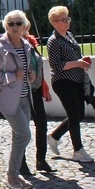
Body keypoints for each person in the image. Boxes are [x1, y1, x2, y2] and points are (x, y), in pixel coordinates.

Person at [0, 11, 36, 189]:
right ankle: (11, 175)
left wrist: (30, 74)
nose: (14, 26)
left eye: (18, 23)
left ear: (24, 26)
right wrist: (12, 76)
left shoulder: (26, 45)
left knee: (18, 135)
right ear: (6, 26)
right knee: (24, 135)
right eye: (11, 23)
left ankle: (15, 174)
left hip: (24, 97)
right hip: (7, 98)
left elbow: (26, 69)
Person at [46, 6, 93, 163]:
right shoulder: (53, 42)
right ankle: (78, 150)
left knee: (79, 114)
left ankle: (54, 136)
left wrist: (82, 61)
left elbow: (75, 56)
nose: (67, 22)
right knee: (74, 114)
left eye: (68, 18)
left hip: (76, 79)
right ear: (54, 22)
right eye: (63, 20)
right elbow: (56, 65)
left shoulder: (69, 36)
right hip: (63, 81)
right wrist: (77, 63)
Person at [21, 25, 54, 174]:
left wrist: (44, 86)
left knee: (41, 123)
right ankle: (20, 162)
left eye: (21, 24)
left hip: (35, 89)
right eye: (14, 24)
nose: (20, 28)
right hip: (21, 92)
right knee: (22, 128)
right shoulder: (12, 45)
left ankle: (41, 159)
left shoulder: (31, 43)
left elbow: (38, 67)